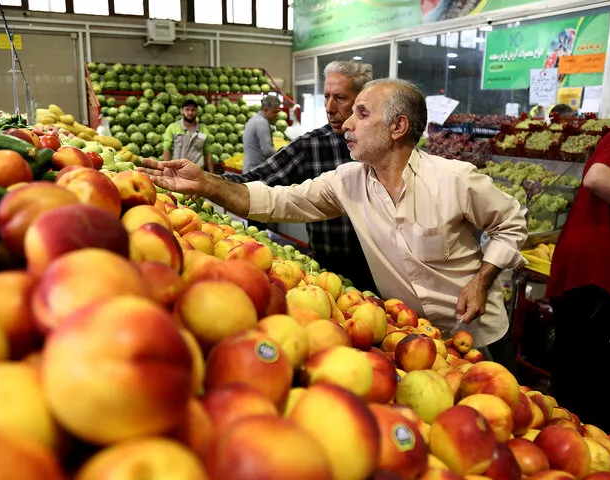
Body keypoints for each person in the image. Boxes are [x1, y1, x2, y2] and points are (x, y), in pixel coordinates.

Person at [138, 78, 528, 347]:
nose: (346, 125)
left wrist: (482, 280)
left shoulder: (454, 179)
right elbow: (276, 201)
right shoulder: (347, 181)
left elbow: (511, 224)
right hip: (416, 338)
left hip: (482, 335)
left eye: (361, 113)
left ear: (397, 127)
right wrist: (207, 183)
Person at [546, 88, 610, 439]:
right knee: (589, 395)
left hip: (589, 276)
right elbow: (598, 177)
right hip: (599, 278)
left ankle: (560, 449)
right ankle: (576, 452)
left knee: (573, 383)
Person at [223, 60, 377, 292]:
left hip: (375, 268)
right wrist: (206, 182)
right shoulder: (310, 146)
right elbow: (255, 180)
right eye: (326, 97)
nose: (329, 107)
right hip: (327, 272)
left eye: (340, 98)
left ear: (362, 101)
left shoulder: (380, 146)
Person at [162, 99, 213, 173]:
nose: (190, 112)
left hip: (197, 172)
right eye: (187, 109)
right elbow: (167, 150)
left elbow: (208, 153)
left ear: (197, 111)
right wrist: (167, 170)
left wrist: (212, 174)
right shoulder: (173, 128)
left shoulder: (203, 130)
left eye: (193, 110)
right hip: (178, 172)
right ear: (181, 111)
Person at [242, 95, 280, 174]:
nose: (277, 114)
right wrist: (281, 155)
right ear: (265, 110)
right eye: (274, 112)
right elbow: (267, 150)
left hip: (250, 167)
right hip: (255, 170)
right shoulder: (262, 122)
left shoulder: (254, 119)